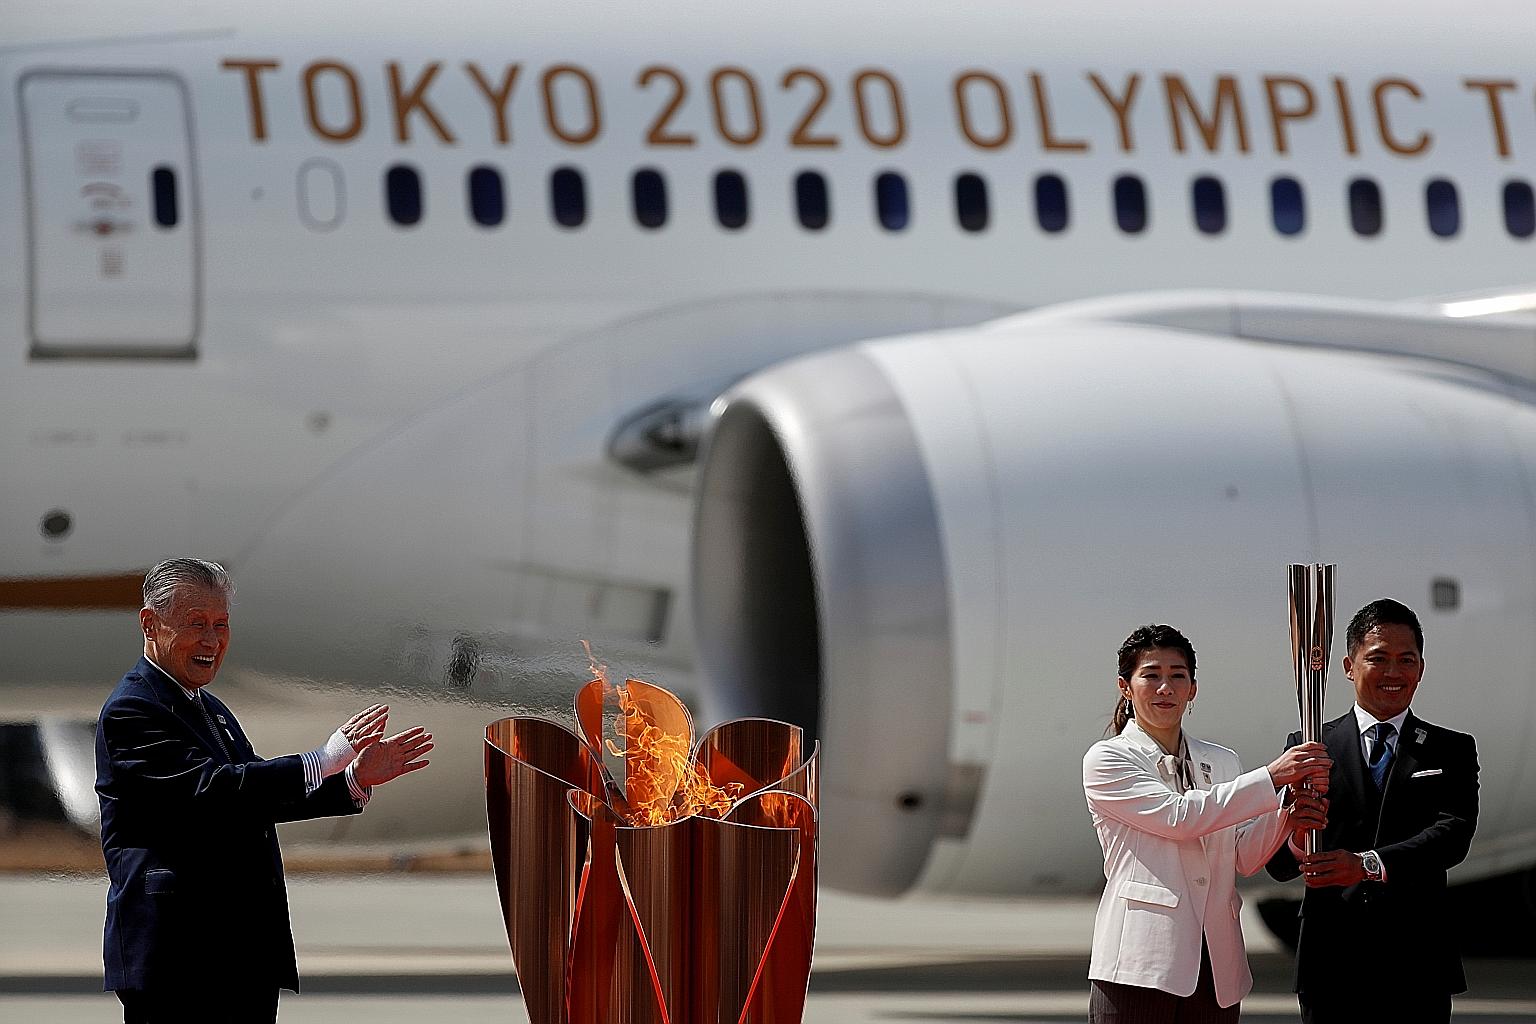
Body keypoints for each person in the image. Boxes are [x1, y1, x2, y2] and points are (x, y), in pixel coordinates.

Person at [95, 558, 434, 1023]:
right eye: (196, 624)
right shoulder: (133, 710)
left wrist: (352, 779)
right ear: (150, 624)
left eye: (221, 624)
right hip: (179, 957)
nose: (212, 641)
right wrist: (325, 757)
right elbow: (215, 791)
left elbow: (256, 796)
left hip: (239, 954)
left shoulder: (207, 707)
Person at [1083, 624, 1331, 1023]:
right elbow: (1182, 818)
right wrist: (1272, 778)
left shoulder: (1221, 761)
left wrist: (1289, 813)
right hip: (1139, 962)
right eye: (1151, 675)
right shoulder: (1108, 760)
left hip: (1216, 963)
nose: (1165, 687)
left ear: (1192, 688)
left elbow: (1243, 858)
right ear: (1125, 687)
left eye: (1177, 676)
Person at [1265, 599, 1479, 1024]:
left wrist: (1368, 864)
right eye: (1377, 659)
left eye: (1406, 659)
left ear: (1421, 666)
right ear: (1348, 665)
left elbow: (1453, 836)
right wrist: (1296, 830)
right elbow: (1278, 865)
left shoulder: (1449, 748)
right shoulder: (1310, 744)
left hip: (1418, 960)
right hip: (1331, 960)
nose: (1393, 673)